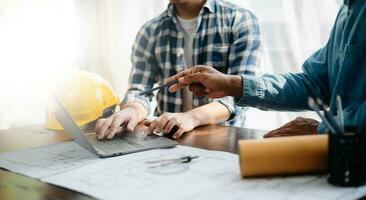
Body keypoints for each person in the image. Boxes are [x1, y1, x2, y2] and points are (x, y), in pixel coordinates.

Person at [166, 0, 366, 137]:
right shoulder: (347, 10)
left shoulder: (238, 19)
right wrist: (234, 85)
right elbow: (315, 83)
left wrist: (325, 131)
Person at [95, 0, 261, 139]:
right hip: (166, 140)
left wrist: (190, 118)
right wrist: (131, 110)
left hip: (223, 139)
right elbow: (140, 91)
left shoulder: (239, 20)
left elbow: (241, 94)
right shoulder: (150, 31)